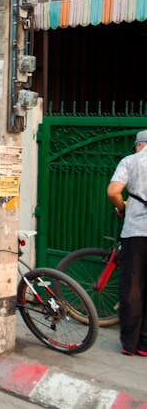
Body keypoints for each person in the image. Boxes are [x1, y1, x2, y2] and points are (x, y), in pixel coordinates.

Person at [107, 129, 147, 356]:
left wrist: (123, 207)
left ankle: (129, 344)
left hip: (136, 232)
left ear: (140, 145)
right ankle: (145, 346)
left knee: (132, 286)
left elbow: (113, 191)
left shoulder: (130, 161)